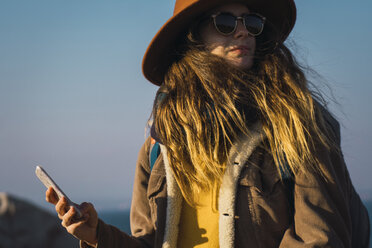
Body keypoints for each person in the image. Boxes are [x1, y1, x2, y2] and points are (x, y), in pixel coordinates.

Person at [45, 0, 370, 247]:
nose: (243, 31)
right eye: (226, 22)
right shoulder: (160, 143)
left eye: (252, 22)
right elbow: (149, 241)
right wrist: (96, 234)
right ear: (194, 36)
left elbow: (320, 239)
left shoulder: (296, 123)